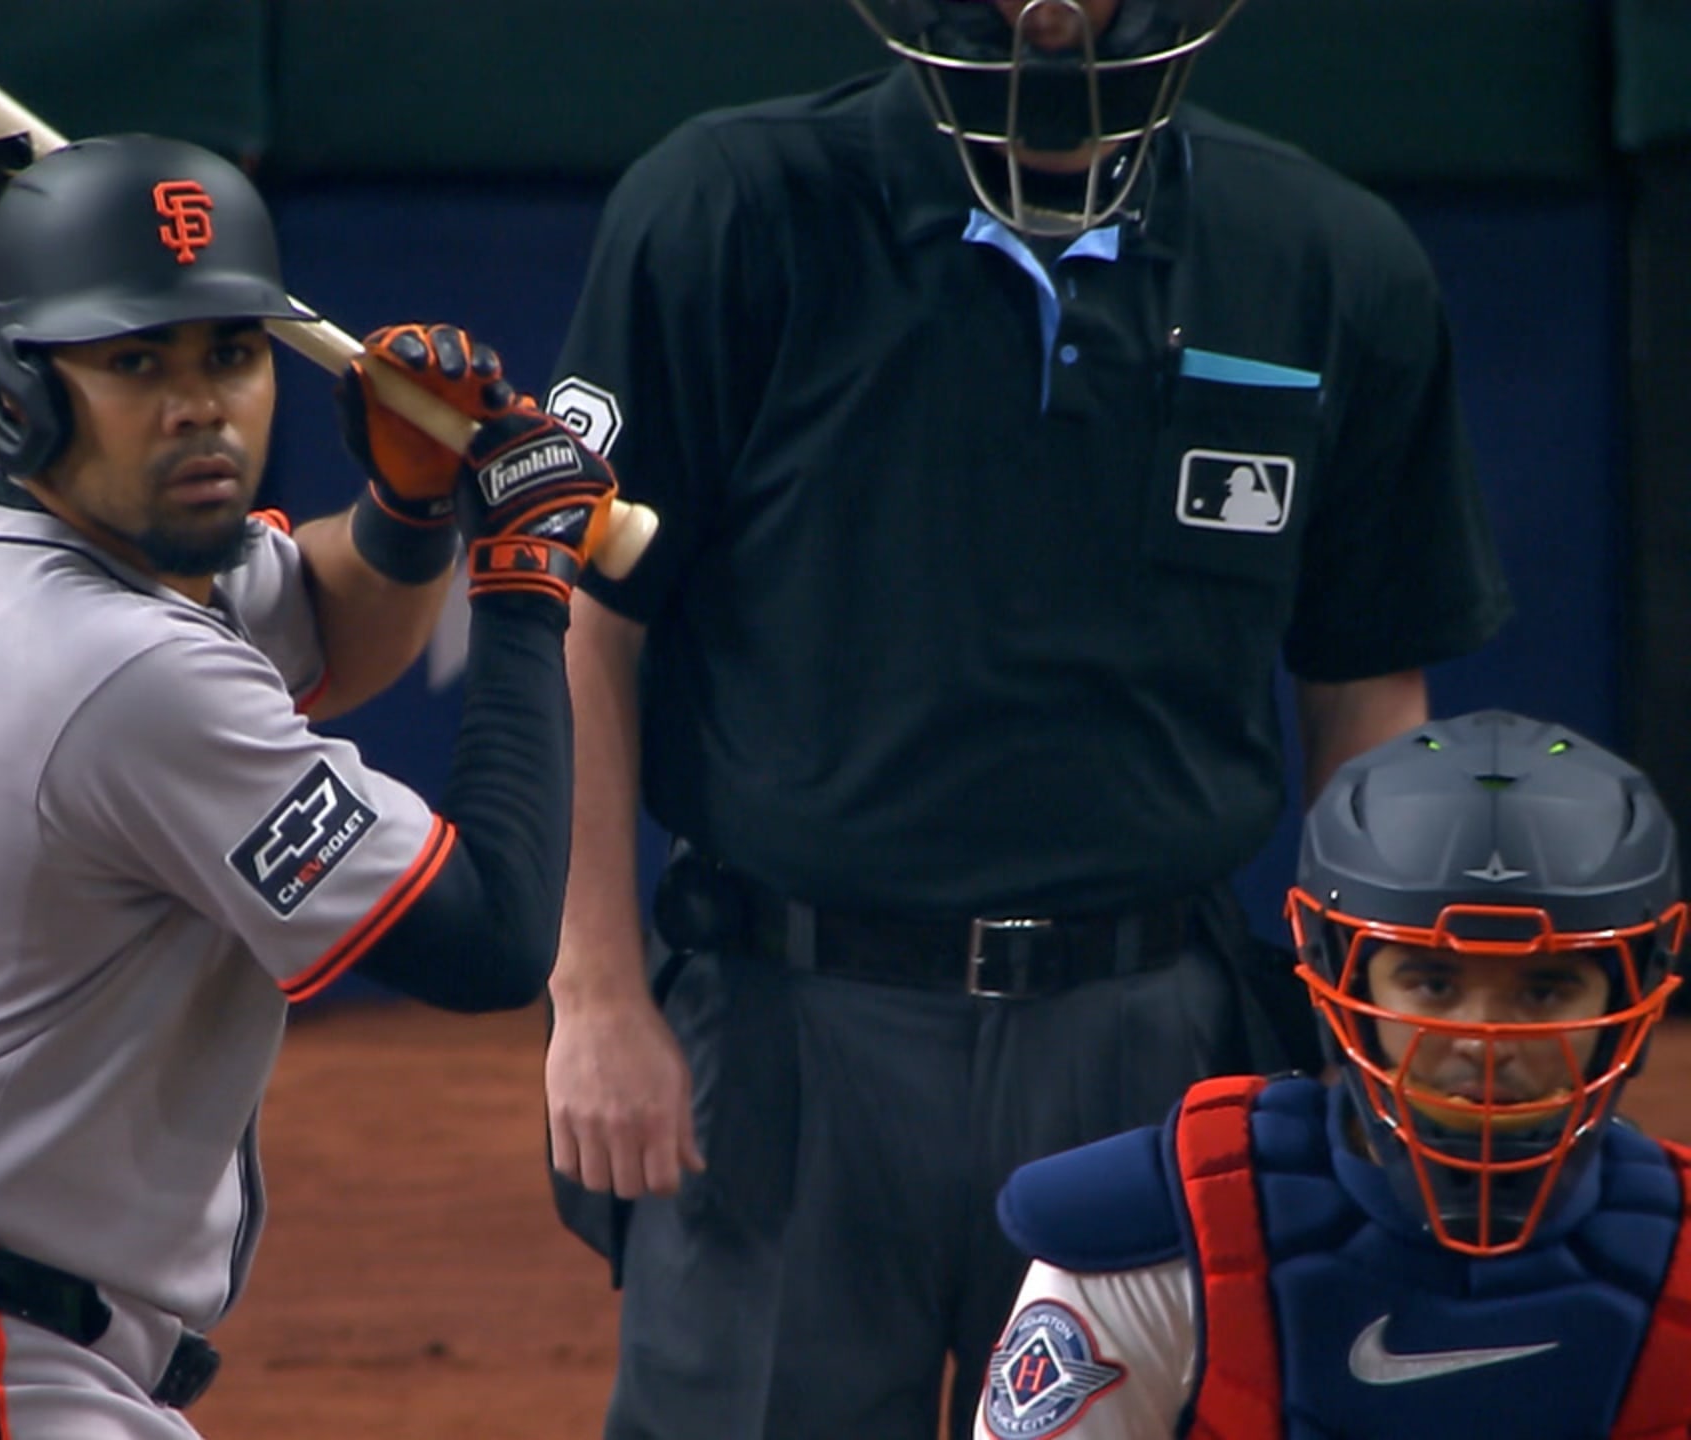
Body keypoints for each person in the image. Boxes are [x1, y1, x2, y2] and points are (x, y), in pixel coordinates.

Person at [536, 2, 1515, 1436]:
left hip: (1155, 1044)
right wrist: (595, 995)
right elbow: (583, 617)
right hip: (785, 1031)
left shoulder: (1324, 253)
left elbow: (1364, 685)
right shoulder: (727, 207)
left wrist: (1363, 1036)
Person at [0, 133, 618, 1439]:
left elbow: (321, 625)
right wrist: (522, 589)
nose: (200, 407)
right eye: (138, 363)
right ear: (24, 386)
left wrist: (412, 514)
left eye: (230, 353)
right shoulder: (114, 668)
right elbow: (489, 938)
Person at [975, 709, 1691, 1439]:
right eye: (1433, 984)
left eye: (1544, 990)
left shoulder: (1678, 1258)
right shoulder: (1166, 1233)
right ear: (1334, 969)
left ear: (1634, 990)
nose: (1483, 1040)